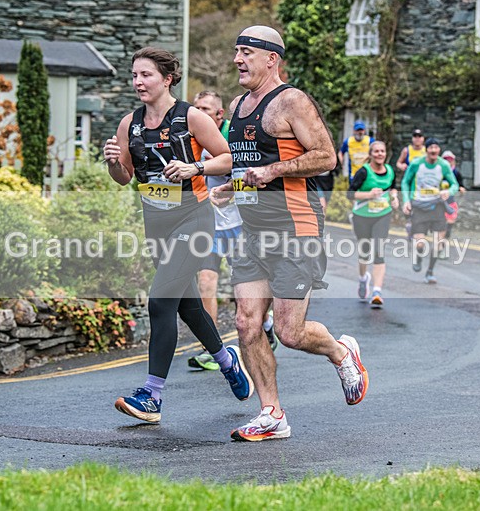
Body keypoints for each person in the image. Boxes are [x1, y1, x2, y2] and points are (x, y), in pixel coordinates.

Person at [211, 26, 369, 442]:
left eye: (246, 52)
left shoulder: (291, 101)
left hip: (296, 227)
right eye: (236, 51)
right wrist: (233, 187)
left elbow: (326, 157)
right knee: (246, 323)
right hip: (253, 232)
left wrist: (274, 171)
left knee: (289, 331)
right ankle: (272, 414)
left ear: (271, 58)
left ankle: (340, 351)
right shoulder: (238, 106)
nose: (237, 59)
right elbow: (248, 164)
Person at [103, 47, 253, 423]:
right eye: (134, 75)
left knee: (160, 300)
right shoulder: (129, 124)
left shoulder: (191, 117)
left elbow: (229, 158)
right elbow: (123, 177)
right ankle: (227, 361)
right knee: (187, 306)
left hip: (194, 218)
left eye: (146, 75)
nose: (138, 82)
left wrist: (195, 167)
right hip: (156, 223)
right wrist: (113, 163)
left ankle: (152, 395)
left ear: (167, 78)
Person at [188, 90, 277, 371]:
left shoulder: (235, 137)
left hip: (240, 224)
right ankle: (212, 349)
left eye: (205, 109)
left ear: (219, 114)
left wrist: (227, 183)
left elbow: (255, 177)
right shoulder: (190, 138)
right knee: (206, 282)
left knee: (245, 290)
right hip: (209, 224)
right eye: (196, 108)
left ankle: (265, 323)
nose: (198, 113)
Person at [347, 140, 399, 307]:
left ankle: (377, 291)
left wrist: (394, 198)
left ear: (385, 153)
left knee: (379, 251)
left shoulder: (390, 171)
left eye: (382, 151)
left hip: (382, 215)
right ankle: (363, 278)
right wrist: (369, 195)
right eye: (376, 151)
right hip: (362, 216)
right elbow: (350, 194)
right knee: (364, 252)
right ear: (370, 154)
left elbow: (392, 188)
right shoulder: (364, 172)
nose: (379, 154)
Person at [401, 138, 459, 284]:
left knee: (438, 242)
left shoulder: (443, 165)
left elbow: (454, 184)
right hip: (420, 206)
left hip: (437, 206)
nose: (433, 150)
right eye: (430, 148)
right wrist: (406, 200)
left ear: (439, 150)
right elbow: (405, 182)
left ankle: (430, 271)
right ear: (426, 150)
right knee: (419, 243)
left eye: (436, 147)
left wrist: (449, 191)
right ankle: (419, 257)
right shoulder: (416, 164)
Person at [440, 151, 466, 240]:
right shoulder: (438, 172)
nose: (448, 162)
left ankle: (447, 233)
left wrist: (461, 188)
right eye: (446, 160)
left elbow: (460, 184)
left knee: (451, 218)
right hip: (439, 200)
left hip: (451, 199)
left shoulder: (456, 173)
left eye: (450, 160)